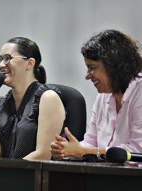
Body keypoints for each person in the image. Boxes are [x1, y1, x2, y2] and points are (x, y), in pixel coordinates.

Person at [50, 29, 142, 160]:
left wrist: (83, 151)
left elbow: (137, 150)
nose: (87, 76)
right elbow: (91, 142)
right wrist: (67, 149)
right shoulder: (102, 96)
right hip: (103, 175)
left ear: (113, 65)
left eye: (92, 67)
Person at [0, 37, 65, 160]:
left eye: (8, 58)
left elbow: (44, 154)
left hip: (33, 176)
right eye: (1, 59)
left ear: (29, 63)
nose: (2, 65)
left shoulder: (47, 98)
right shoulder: (1, 105)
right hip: (8, 175)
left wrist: (10, 173)